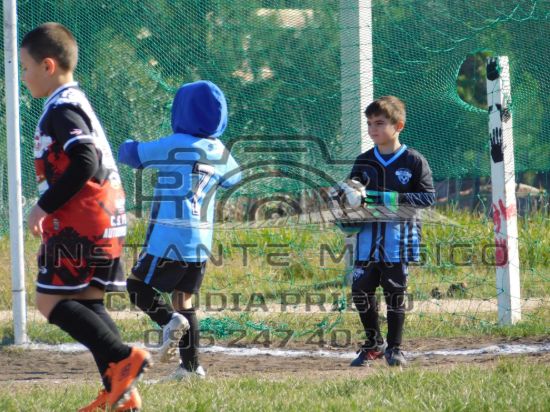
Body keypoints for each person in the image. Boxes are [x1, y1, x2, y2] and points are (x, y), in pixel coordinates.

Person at [20, 22, 150, 411]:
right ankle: (119, 394)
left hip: (83, 220)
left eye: (25, 68)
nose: (23, 76)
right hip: (105, 215)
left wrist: (45, 205)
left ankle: (123, 357)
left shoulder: (62, 108)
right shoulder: (74, 101)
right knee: (87, 300)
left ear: (47, 65)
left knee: (48, 301)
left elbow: (85, 159)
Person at [118, 80, 241, 380]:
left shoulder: (175, 143)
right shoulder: (219, 151)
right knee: (184, 301)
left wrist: (124, 144)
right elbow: (235, 178)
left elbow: (132, 155)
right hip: (200, 241)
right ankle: (190, 367)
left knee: (137, 287)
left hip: (169, 236)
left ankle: (167, 322)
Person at [344, 96, 435, 367]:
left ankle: (395, 348)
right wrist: (344, 208)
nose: (373, 129)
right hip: (367, 239)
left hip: (399, 239)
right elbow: (352, 198)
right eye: (370, 123)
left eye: (380, 123)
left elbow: (428, 198)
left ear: (398, 126)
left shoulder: (413, 161)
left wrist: (386, 198)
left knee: (394, 292)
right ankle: (374, 344)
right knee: (360, 290)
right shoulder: (363, 161)